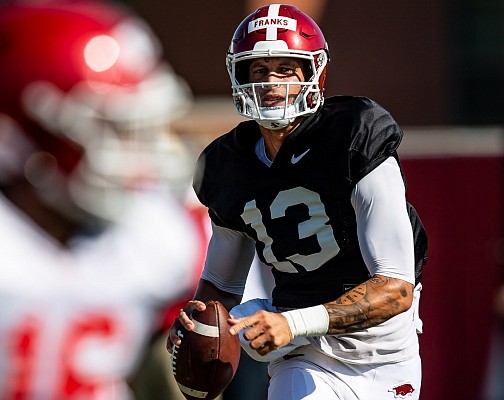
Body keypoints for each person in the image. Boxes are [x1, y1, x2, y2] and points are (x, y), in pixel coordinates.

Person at [0, 1, 200, 399]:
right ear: (12, 133)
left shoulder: (153, 234)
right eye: (108, 129)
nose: (137, 159)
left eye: (136, 128)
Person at [167, 4, 428, 400]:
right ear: (239, 76)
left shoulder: (354, 135)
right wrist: (198, 321)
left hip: (384, 348)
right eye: (258, 70)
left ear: (313, 74)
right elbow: (221, 284)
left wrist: (294, 322)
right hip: (302, 351)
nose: (270, 83)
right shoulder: (228, 165)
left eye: (285, 69)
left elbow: (394, 289)